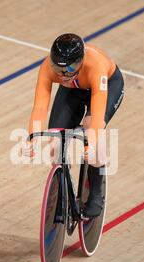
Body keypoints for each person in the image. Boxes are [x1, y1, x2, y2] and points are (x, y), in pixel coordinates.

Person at [25, 33, 124, 217]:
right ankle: (63, 185)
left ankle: (96, 192)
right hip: (74, 90)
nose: (63, 74)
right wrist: (31, 138)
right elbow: (39, 107)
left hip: (106, 87)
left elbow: (97, 115)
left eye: (70, 68)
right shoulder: (48, 68)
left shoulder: (96, 66)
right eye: (58, 68)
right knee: (55, 143)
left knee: (91, 127)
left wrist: (91, 142)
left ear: (80, 61)